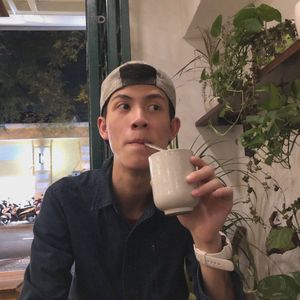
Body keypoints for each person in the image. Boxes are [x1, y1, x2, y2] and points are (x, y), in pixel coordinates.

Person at [20, 61, 245, 300]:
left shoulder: (189, 200)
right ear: (103, 128)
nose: (139, 119)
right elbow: (41, 292)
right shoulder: (66, 200)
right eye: (124, 106)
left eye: (154, 107)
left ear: (172, 129)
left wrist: (207, 240)